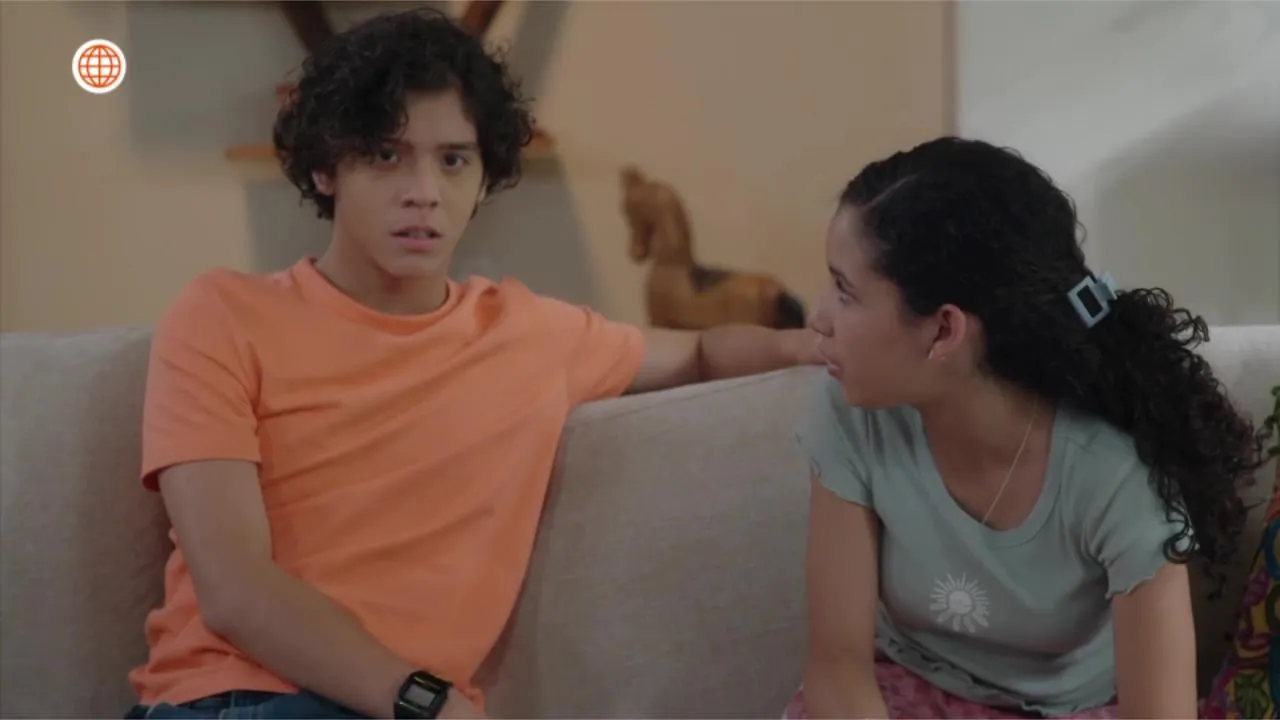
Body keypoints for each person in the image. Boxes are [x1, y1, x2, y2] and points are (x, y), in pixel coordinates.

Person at [124, 9, 821, 720]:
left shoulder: (529, 333)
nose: (424, 191)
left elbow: (699, 351)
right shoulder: (222, 316)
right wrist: (425, 701)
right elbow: (236, 590)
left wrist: (811, 344)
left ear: (485, 178)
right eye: (386, 155)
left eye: (453, 160)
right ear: (326, 168)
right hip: (231, 702)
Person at [788, 137, 1260, 719]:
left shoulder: (1114, 477)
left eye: (845, 291)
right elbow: (837, 663)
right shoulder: (851, 413)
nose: (818, 317)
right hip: (901, 692)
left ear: (943, 331)